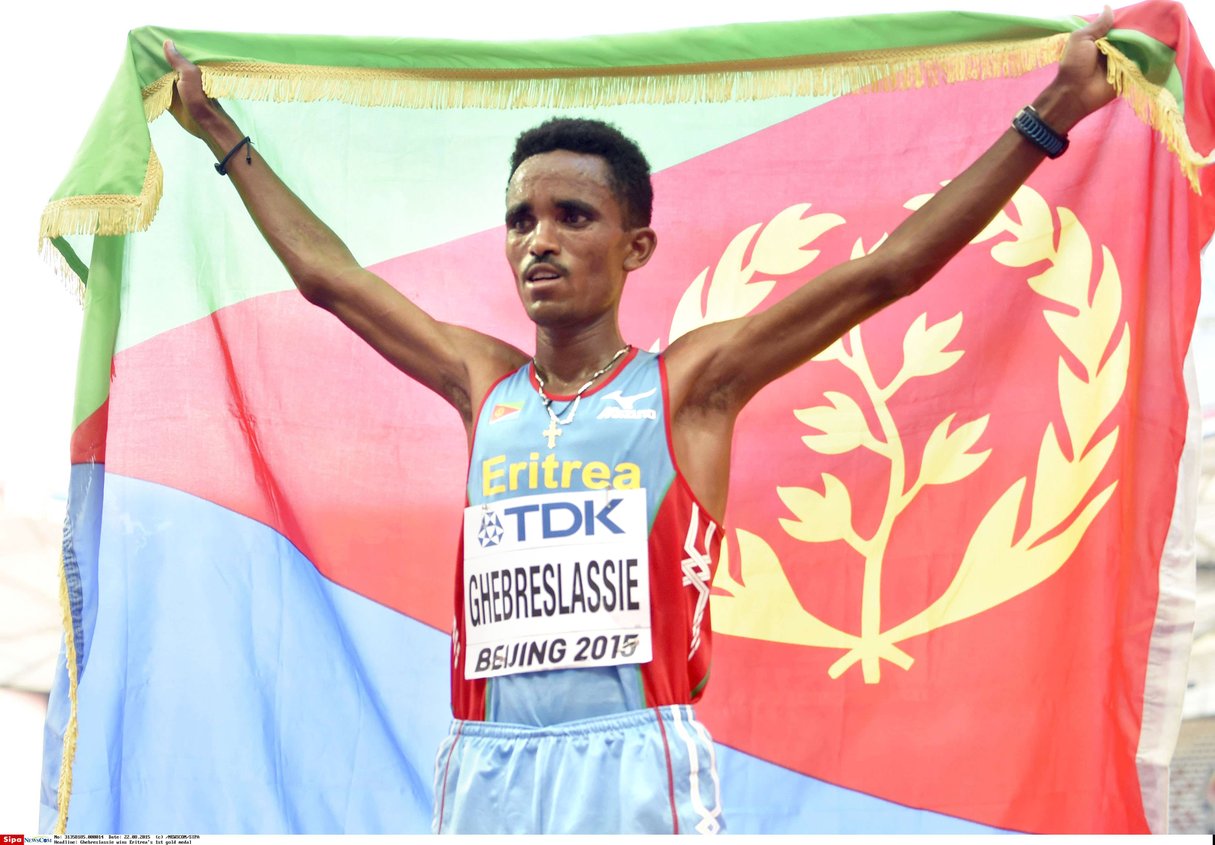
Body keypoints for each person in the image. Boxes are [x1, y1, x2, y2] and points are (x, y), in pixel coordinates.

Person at [162, 7, 1116, 834]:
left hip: (631, 764)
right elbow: (331, 281)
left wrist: (1048, 117)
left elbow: (884, 273)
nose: (538, 238)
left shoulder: (692, 382)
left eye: (573, 215)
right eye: (519, 219)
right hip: (485, 756)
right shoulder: (477, 381)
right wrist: (216, 129)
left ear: (636, 246)